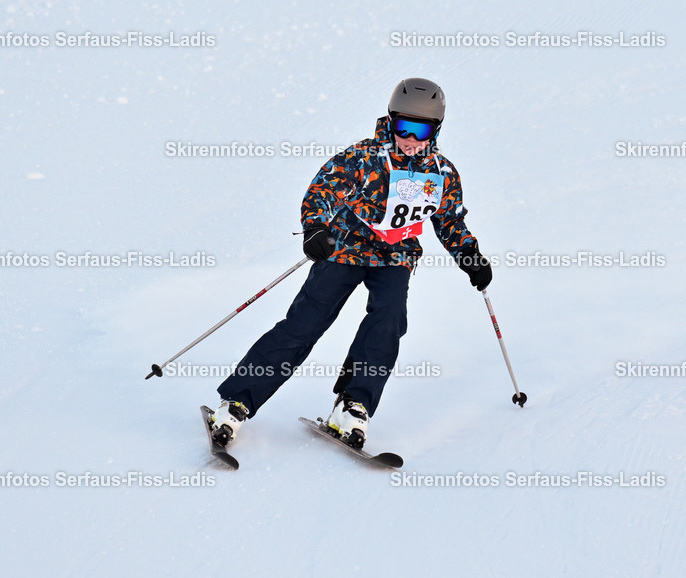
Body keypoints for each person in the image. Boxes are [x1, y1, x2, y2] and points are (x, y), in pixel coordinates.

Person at [208, 77, 493, 449]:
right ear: (390, 121)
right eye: (402, 125)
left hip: (395, 257)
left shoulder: (442, 173)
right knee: (305, 324)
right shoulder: (363, 157)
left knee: (388, 322)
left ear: (435, 130)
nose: (409, 137)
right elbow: (322, 190)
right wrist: (315, 229)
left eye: (420, 129)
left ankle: (353, 405)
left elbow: (450, 220)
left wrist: (470, 255)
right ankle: (237, 402)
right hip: (344, 248)